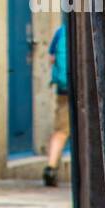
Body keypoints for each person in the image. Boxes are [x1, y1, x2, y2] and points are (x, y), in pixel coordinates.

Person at [44, 20, 69, 186]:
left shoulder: (62, 31)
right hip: (86, 89)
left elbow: (52, 58)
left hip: (64, 90)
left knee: (60, 130)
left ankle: (50, 168)